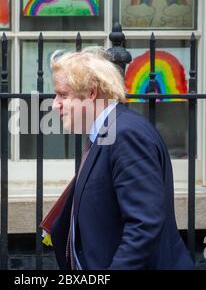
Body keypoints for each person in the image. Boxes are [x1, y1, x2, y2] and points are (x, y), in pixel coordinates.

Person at [48, 47, 195, 270]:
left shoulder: (126, 135)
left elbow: (144, 225)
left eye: (63, 95)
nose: (54, 104)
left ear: (91, 93)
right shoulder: (107, 133)